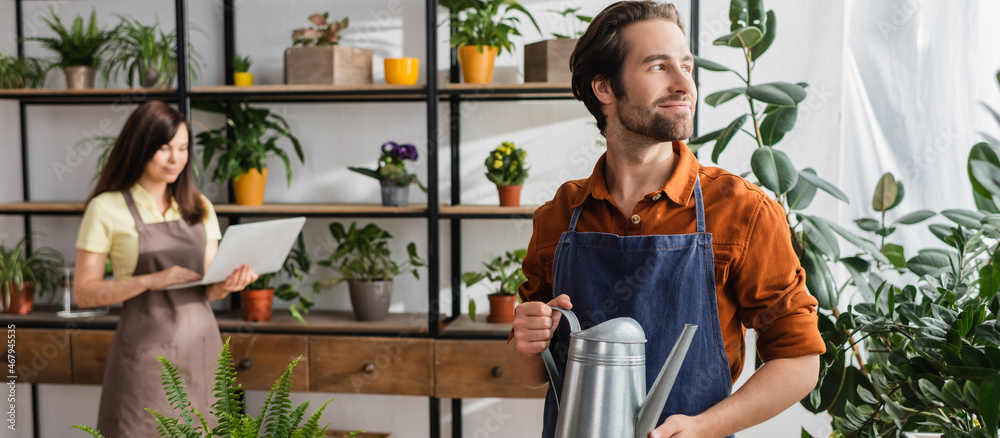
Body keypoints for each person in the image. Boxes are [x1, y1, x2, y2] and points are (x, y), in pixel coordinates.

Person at [506, 2, 825, 437]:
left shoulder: (741, 210)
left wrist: (704, 427)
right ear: (605, 88)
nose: (683, 84)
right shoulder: (559, 216)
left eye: (686, 66)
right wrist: (526, 343)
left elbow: (799, 359)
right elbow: (531, 372)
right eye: (658, 66)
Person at [73, 100, 259, 437]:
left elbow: (209, 287)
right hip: (145, 357)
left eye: (183, 148)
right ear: (140, 146)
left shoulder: (199, 206)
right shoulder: (106, 209)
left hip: (203, 349)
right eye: (164, 148)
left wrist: (230, 283)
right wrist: (151, 280)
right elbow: (84, 293)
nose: (176, 158)